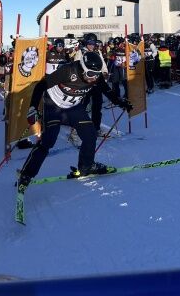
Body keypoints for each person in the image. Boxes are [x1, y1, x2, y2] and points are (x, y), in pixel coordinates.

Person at [17, 51, 132, 191]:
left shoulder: (96, 76)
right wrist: (33, 108)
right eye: (90, 74)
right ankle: (27, 174)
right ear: (82, 68)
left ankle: (86, 166)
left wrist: (121, 102)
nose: (93, 78)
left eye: (96, 74)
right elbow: (41, 85)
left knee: (90, 134)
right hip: (53, 107)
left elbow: (106, 91)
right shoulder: (67, 71)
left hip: (73, 109)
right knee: (48, 140)